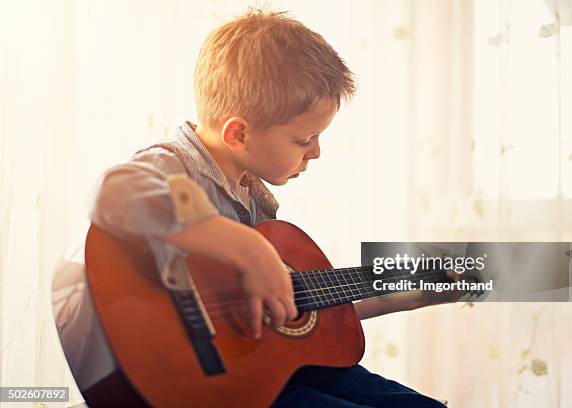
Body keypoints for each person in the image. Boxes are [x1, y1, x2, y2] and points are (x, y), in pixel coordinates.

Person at [53, 9, 457, 407]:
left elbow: (299, 309)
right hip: (202, 386)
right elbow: (112, 192)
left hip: (259, 371)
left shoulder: (255, 202)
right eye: (304, 140)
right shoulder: (172, 168)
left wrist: (410, 294)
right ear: (239, 133)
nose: (316, 152)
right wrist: (248, 249)